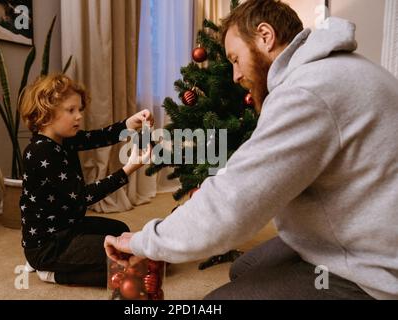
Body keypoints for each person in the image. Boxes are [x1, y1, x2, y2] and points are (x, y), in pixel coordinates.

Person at [105, 0, 398, 300]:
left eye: (235, 58)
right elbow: (247, 175)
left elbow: (234, 205)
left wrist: (143, 242)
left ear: (265, 36)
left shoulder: (309, 91)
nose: (235, 76)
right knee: (243, 269)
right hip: (349, 234)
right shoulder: (328, 72)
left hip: (372, 268)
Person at [19, 73, 153, 286]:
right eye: (71, 110)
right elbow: (82, 197)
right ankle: (51, 272)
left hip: (70, 226)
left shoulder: (64, 139)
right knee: (124, 268)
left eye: (79, 109)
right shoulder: (40, 152)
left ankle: (57, 264)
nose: (79, 116)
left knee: (120, 230)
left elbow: (100, 136)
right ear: (46, 114)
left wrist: (130, 123)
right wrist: (127, 169)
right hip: (49, 245)